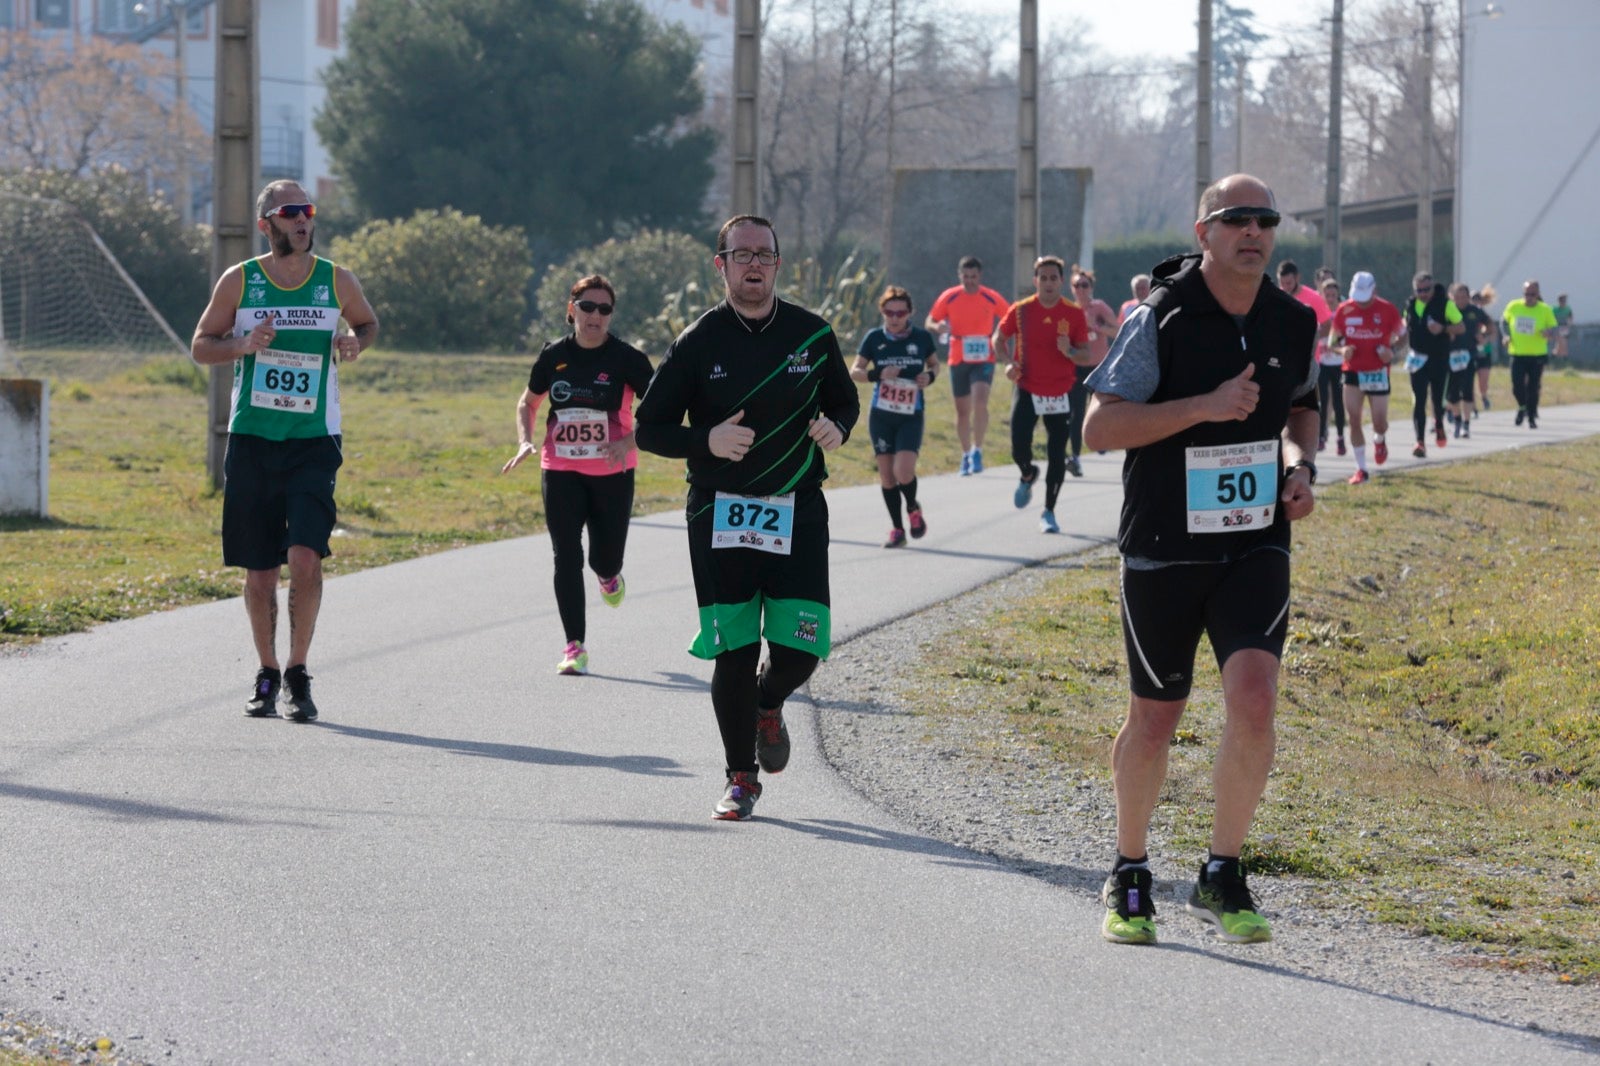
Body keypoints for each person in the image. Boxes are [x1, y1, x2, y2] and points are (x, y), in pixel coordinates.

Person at [1081, 174, 1318, 947]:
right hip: (1164, 546)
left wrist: (1297, 466)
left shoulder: (1292, 320)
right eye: (1236, 219)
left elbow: (1302, 408)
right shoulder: (1161, 317)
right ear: (1204, 230)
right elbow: (1100, 428)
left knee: (1254, 700)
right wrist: (1203, 408)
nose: (1253, 231)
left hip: (1254, 541)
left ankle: (1222, 872)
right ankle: (1129, 868)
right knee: (1157, 717)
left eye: (1265, 220)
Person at [635, 215, 859, 821]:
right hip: (719, 514)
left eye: (764, 254)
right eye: (742, 255)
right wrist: (706, 441)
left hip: (798, 510)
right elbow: (648, 428)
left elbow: (843, 397)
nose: (753, 264)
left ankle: (769, 699)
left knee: (801, 650)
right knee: (732, 649)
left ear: (779, 264)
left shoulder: (813, 334)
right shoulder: (697, 342)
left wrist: (837, 425)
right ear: (722, 265)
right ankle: (740, 777)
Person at [191, 179, 379, 722]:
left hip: (314, 441)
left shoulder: (335, 279)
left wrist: (353, 342)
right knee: (260, 572)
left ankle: (298, 671)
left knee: (305, 558)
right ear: (266, 223)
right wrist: (242, 345)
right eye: (290, 212)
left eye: (308, 210)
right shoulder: (241, 281)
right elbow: (202, 345)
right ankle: (267, 672)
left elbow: (367, 324)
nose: (302, 219)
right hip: (252, 439)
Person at [501, 274, 654, 676]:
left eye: (605, 309)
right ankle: (575, 647)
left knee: (604, 558)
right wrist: (524, 441)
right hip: (560, 468)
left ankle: (609, 575)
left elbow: (661, 407)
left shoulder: (627, 359)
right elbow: (528, 402)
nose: (595, 316)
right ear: (572, 310)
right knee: (565, 555)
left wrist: (628, 442)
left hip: (612, 472)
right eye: (587, 307)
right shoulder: (553, 356)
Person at [996, 256, 1090, 534]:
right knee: (1018, 446)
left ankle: (1049, 510)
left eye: (1053, 278)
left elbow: (1085, 354)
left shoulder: (1073, 313)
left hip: (1061, 391)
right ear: (1035, 281)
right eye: (1043, 278)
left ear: (1061, 281)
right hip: (1027, 387)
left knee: (1056, 453)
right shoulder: (1021, 310)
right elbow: (998, 338)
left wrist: (1070, 351)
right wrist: (1008, 363)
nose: (1048, 283)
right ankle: (1027, 473)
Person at [851, 286, 938, 548]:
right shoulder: (874, 338)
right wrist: (878, 374)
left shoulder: (921, 338)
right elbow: (855, 371)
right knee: (887, 476)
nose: (895, 317)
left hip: (911, 415)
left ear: (910, 313)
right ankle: (898, 530)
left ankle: (912, 506)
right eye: (889, 312)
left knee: (903, 470)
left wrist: (930, 376)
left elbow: (935, 364)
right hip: (881, 415)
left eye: (900, 312)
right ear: (883, 312)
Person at [925, 256, 1010, 475]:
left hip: (983, 355)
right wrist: (939, 327)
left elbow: (1009, 317)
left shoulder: (990, 297)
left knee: (980, 400)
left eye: (973, 277)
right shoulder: (950, 296)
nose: (970, 281)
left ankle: (977, 450)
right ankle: (965, 455)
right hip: (958, 355)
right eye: (966, 276)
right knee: (963, 411)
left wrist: (999, 334)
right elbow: (930, 320)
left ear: (979, 276)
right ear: (960, 275)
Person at [1330, 270, 1406, 484]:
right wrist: (1342, 351)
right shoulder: (1344, 310)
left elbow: (1403, 335)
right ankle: (1361, 469)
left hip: (1378, 372)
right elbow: (1332, 342)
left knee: (1379, 422)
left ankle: (1380, 439)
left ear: (1375, 291)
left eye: (1366, 298)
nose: (1362, 304)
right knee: (1353, 419)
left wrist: (1393, 352)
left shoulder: (1388, 309)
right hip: (1352, 371)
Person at [1402, 272, 1463, 458]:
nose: (1423, 294)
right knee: (1419, 400)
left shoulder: (1445, 304)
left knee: (1437, 400)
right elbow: (1405, 328)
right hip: (1417, 360)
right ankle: (1419, 441)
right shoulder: (1411, 305)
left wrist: (1443, 328)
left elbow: (1461, 327)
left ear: (1432, 287)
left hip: (1439, 359)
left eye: (1426, 290)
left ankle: (1439, 424)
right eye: (1419, 290)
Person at [1065, 266, 1118, 478]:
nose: (1080, 289)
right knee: (1076, 413)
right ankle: (1075, 458)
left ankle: (1103, 440)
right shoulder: (1068, 310)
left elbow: (1117, 330)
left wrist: (1096, 326)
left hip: (1098, 367)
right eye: (1076, 285)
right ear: (1071, 288)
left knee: (1100, 409)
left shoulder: (1100, 308)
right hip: (1077, 367)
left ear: (1091, 287)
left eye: (1084, 285)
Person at [1276, 261, 1333, 446]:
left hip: (1308, 362)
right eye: (1282, 283)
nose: (1285, 287)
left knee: (1309, 404)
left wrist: (1312, 338)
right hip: (1282, 361)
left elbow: (1328, 324)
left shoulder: (1313, 298)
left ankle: (1318, 435)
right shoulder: (1276, 296)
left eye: (1289, 283)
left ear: (1297, 278)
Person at [1502, 279, 1561, 429]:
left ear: (1538, 294)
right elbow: (1503, 321)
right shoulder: (1514, 306)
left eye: (1532, 294)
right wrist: (1506, 335)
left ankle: (1531, 417)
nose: (1529, 297)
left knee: (1533, 387)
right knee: (1517, 386)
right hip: (1517, 353)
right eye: (1526, 294)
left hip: (1537, 355)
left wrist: (1549, 333)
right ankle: (1522, 407)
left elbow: (1554, 328)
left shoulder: (1545, 309)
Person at [1446, 283, 1491, 436]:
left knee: (1467, 390)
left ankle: (1466, 424)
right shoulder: (1447, 310)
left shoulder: (1474, 311)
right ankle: (1457, 419)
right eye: (1457, 297)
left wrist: (1484, 337)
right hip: (1450, 356)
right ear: (1452, 297)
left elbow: (1490, 326)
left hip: (1469, 355)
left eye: (1464, 297)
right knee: (1452, 394)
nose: (1461, 300)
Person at [1314, 276, 1347, 455]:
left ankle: (1340, 437)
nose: (1330, 298)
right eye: (1327, 294)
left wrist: (1336, 342)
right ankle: (1321, 436)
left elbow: (1346, 335)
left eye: (1333, 294)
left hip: (1339, 363)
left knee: (1338, 401)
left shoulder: (1342, 313)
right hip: (1323, 362)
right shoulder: (1319, 313)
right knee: (1323, 401)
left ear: (1337, 295)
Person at [1473, 285, 1500, 409]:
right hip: (1470, 352)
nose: (1475, 302)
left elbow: (1494, 333)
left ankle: (1483, 396)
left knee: (1483, 381)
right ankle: (1471, 404)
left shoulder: (1484, 316)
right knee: (1467, 381)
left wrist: (1485, 339)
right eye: (1472, 299)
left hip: (1484, 352)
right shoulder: (1464, 314)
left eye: (1477, 300)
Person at [1552, 292, 1574, 358]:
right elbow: (1551, 318)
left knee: (1562, 343)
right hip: (1557, 327)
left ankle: (1555, 355)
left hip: (1565, 327)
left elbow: (1570, 317)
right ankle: (1564, 355)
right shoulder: (1554, 309)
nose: (1564, 302)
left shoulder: (1568, 308)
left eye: (1564, 300)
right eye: (1562, 300)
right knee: (1561, 342)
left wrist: (1570, 324)